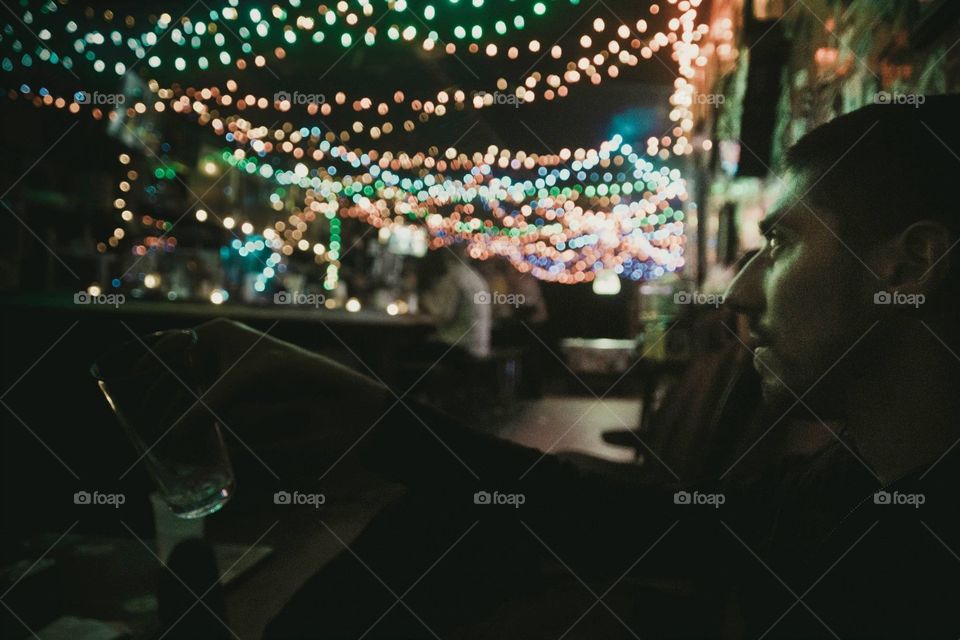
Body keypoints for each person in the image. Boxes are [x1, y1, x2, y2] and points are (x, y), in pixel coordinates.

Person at [195, 95, 960, 638]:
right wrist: (371, 413)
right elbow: (630, 523)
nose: (740, 290)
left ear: (911, 265)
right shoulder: (839, 491)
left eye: (782, 242)